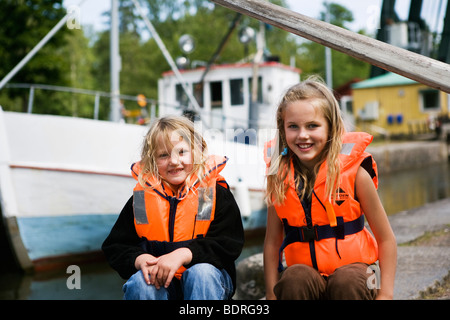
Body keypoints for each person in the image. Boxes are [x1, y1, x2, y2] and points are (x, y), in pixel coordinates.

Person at [263, 77, 397, 300]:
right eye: (293, 126)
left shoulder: (356, 174)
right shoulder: (279, 178)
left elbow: (386, 239)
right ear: (283, 129)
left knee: (347, 282)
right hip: (309, 278)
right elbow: (272, 242)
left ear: (331, 128)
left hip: (358, 274)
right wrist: (270, 294)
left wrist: (386, 294)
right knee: (294, 279)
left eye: (312, 126)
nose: (303, 135)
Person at [102, 115, 244, 300]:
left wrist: (184, 254)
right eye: (163, 155)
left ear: (197, 151)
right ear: (152, 161)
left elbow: (228, 243)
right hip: (161, 284)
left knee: (201, 274)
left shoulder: (209, 196)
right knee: (141, 283)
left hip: (206, 282)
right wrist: (139, 259)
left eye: (182, 152)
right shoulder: (141, 201)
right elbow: (116, 246)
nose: (174, 161)